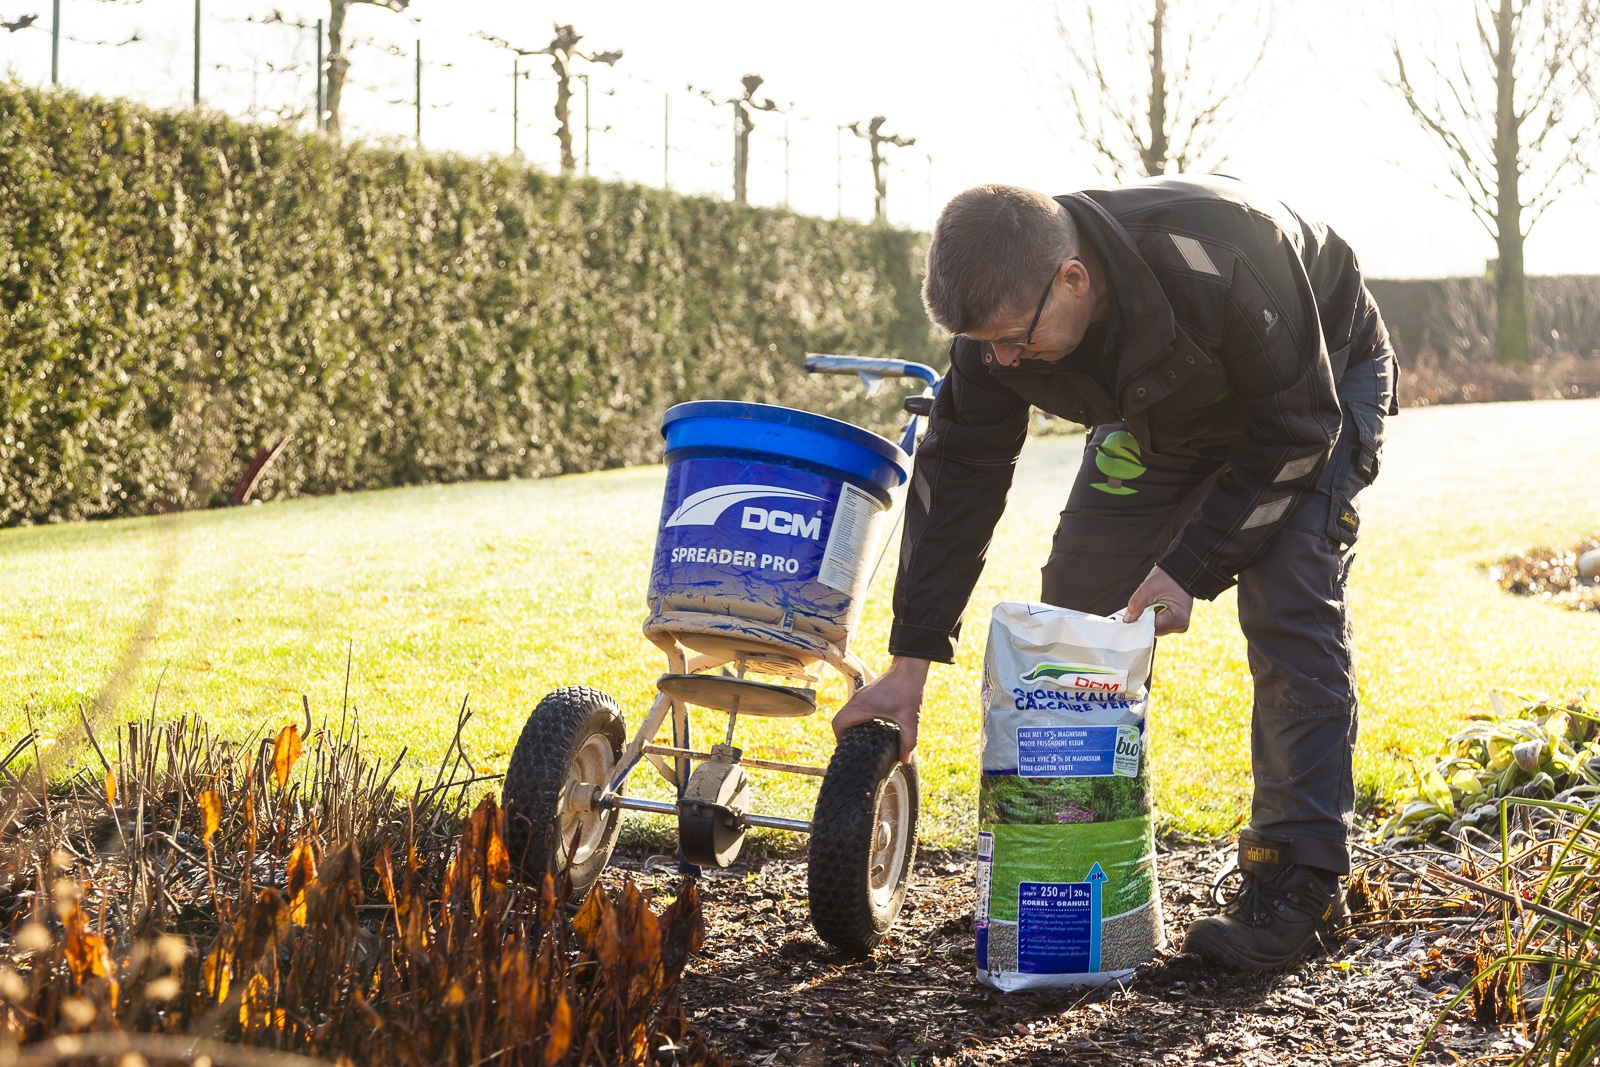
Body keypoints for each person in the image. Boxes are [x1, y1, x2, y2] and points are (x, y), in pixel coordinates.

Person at [832, 176, 1397, 970]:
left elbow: (1298, 430)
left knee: (1287, 595)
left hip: (1313, 391)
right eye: (983, 346)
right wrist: (908, 663)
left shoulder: (1223, 252)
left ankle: (1296, 881)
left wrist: (1188, 569)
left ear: (1073, 279)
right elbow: (959, 475)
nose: (1000, 361)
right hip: (1162, 416)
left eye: (1012, 342)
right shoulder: (1004, 316)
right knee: (1078, 625)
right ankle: (1074, 873)